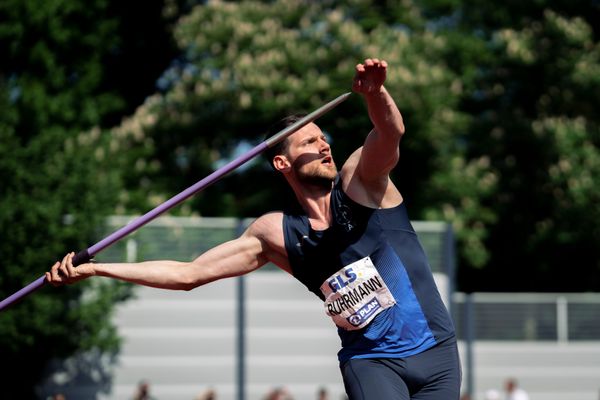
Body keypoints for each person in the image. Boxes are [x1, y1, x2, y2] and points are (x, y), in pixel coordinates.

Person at [47, 58, 461, 399]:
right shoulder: (275, 234)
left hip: (438, 357)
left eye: (323, 138)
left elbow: (390, 132)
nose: (324, 146)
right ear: (282, 163)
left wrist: (376, 93)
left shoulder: (361, 182)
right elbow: (187, 275)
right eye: (309, 143)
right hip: (372, 363)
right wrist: (97, 269)